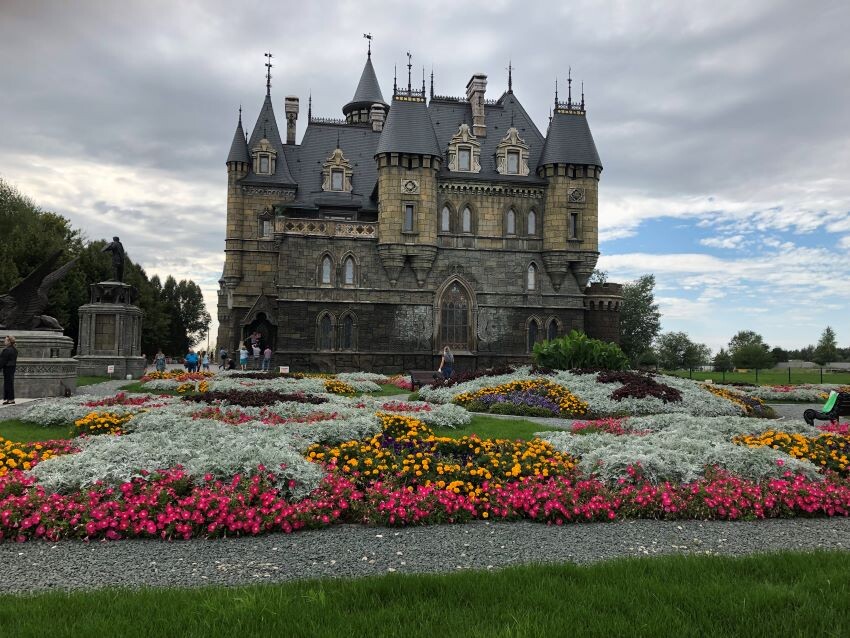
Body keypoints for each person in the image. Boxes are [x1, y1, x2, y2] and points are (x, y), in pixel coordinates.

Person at [1, 335, 17, 405]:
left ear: (9, 342)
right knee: (10, 383)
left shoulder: (6, 350)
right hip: (12, 368)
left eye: (5, 340)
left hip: (7, 368)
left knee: (8, 384)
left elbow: (2, 361)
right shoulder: (14, 349)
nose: (4, 341)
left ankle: (10, 399)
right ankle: (10, 399)